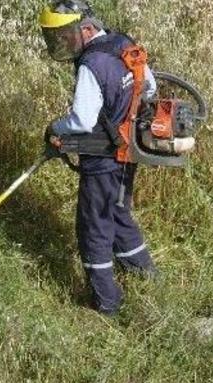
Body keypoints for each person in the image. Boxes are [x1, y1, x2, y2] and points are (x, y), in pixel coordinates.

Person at [39, 0, 158, 316]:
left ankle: (106, 305)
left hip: (102, 159)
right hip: (128, 154)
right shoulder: (123, 44)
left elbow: (81, 121)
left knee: (94, 228)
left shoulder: (92, 63)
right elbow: (149, 87)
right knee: (118, 214)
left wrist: (54, 127)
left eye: (66, 34)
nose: (63, 42)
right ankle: (147, 278)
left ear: (86, 28)